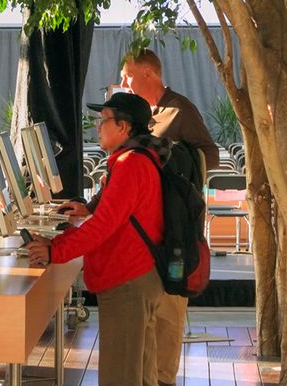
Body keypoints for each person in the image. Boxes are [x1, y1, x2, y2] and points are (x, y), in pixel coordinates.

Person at [29, 93, 167, 386]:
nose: (97, 127)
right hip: (138, 276)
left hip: (128, 280)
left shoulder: (131, 164)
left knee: (121, 376)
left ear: (124, 127)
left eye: (103, 120)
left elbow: (104, 226)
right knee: (140, 374)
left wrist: (55, 251)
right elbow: (114, 216)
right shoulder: (135, 159)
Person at [118, 49, 219, 386]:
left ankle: (164, 379)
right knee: (150, 309)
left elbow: (210, 154)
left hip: (177, 229)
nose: (124, 83)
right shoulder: (141, 113)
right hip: (148, 228)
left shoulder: (180, 109)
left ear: (148, 73)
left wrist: (176, 170)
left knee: (172, 307)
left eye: (128, 75)